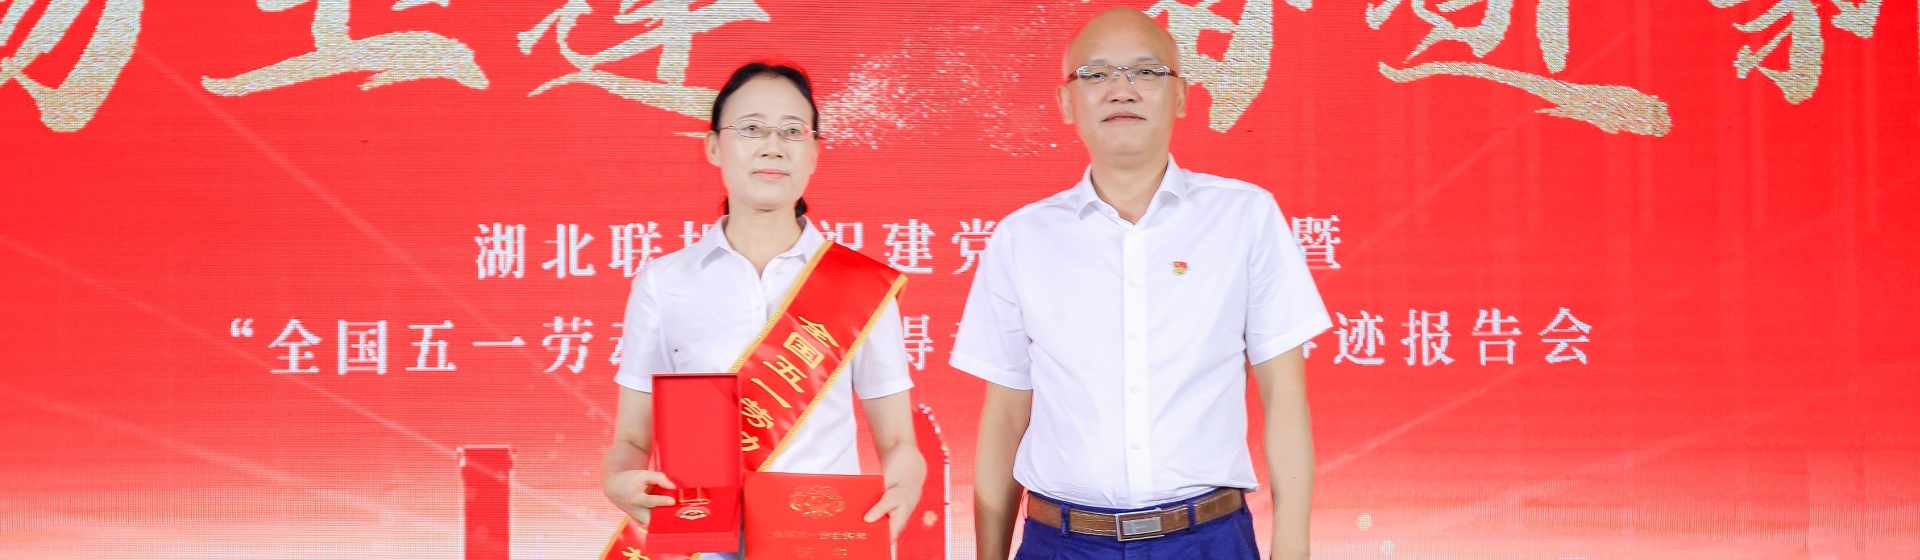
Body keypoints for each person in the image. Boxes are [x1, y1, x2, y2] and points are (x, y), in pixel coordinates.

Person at [953, 8, 1330, 560]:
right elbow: (1005, 418)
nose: (1121, 89)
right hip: (1061, 543)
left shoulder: (1245, 217)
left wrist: (1292, 549)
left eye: (1146, 72)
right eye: (1096, 73)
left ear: (1180, 96)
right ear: (1066, 102)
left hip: (1207, 539)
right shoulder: (1022, 238)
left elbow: (1285, 397)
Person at [600, 62, 927, 560]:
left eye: (793, 131)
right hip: (703, 545)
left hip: (822, 544)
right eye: (751, 128)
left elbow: (900, 442)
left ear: (814, 153)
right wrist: (617, 479)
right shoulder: (664, 283)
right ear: (714, 146)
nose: (773, 146)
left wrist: (903, 489)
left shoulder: (860, 284)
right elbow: (630, 439)